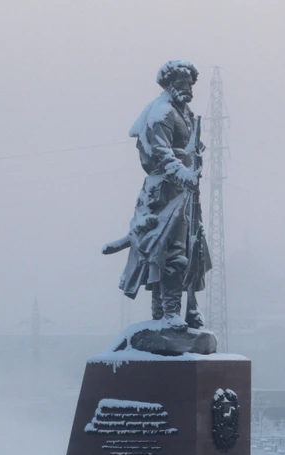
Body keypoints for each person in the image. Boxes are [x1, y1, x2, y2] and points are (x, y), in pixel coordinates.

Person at [103, 60, 210, 330]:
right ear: (169, 85)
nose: (187, 89)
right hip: (164, 193)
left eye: (190, 84)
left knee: (188, 250)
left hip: (185, 194)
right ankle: (168, 313)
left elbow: (188, 148)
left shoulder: (185, 112)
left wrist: (193, 159)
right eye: (182, 84)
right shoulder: (161, 113)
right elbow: (160, 154)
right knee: (168, 252)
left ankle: (173, 313)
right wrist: (184, 174)